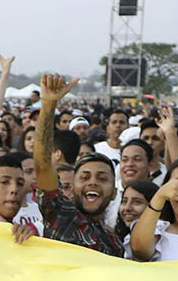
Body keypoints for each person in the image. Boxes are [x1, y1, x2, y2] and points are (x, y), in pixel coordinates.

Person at [24, 74, 121, 255]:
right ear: (73, 188)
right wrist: (49, 105)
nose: (92, 182)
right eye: (84, 177)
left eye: (102, 178)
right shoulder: (62, 216)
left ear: (115, 192)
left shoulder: (115, 243)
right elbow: (43, 166)